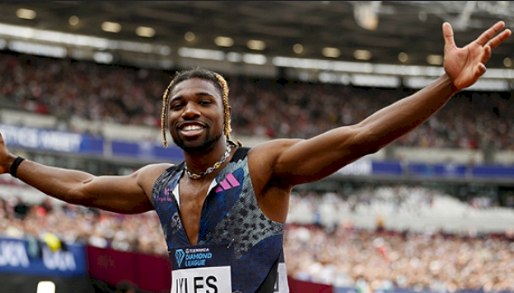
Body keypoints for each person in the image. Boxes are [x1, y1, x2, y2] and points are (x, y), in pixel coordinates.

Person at [0, 21, 511, 293]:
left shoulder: (262, 167)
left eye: (204, 101)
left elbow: (360, 137)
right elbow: (82, 187)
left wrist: (446, 84)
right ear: (165, 121)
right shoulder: (157, 183)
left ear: (225, 115)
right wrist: (12, 165)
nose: (189, 111)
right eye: (177, 105)